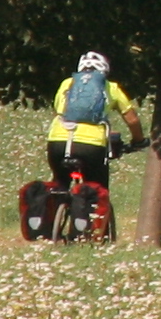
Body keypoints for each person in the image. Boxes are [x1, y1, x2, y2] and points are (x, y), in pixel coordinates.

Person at [42, 52, 143, 207]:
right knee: (96, 188)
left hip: (58, 142)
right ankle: (91, 225)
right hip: (91, 146)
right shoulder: (111, 87)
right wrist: (138, 140)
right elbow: (132, 120)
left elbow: (58, 111)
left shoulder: (66, 84)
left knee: (60, 182)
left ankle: (51, 221)